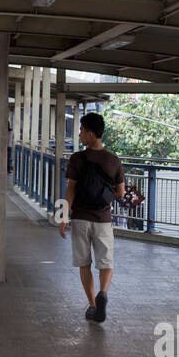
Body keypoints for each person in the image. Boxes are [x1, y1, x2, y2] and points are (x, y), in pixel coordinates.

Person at [59, 112, 126, 324]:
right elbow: (122, 193)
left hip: (80, 217)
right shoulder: (114, 161)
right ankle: (103, 292)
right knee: (105, 262)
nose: (79, 135)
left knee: (84, 263)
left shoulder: (77, 158)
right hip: (103, 219)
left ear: (89, 133)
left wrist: (63, 217)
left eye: (81, 131)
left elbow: (70, 189)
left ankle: (92, 305)